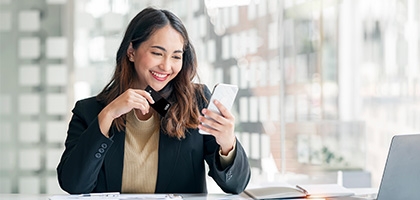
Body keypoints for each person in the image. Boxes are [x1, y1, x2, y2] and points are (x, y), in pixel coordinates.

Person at [56, 7, 251, 194]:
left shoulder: (196, 103)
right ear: (131, 51)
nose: (166, 66)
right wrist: (108, 115)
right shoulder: (89, 111)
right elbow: (74, 185)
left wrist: (227, 144)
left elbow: (235, 185)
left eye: (176, 56)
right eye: (157, 53)